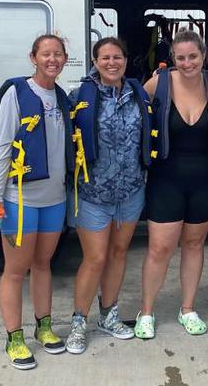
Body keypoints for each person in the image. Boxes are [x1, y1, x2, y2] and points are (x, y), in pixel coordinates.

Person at [135, 29, 208, 339]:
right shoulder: (158, 83)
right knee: (160, 248)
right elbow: (132, 111)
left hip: (206, 181)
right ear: (173, 59)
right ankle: (147, 312)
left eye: (193, 56)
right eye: (181, 57)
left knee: (194, 245)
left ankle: (188, 309)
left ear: (204, 56)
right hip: (166, 180)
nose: (187, 62)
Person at [0, 34, 75, 370]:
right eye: (46, 54)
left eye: (58, 54)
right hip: (20, 199)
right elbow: (3, 148)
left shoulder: (62, 98)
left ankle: (44, 326)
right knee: (15, 270)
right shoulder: (17, 93)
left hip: (54, 199)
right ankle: (14, 336)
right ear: (33, 57)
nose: (52, 60)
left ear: (65, 59)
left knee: (43, 264)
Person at [65, 37, 151, 354]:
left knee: (118, 254)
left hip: (130, 191)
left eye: (117, 57)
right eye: (105, 57)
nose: (111, 62)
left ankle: (108, 314)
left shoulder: (138, 94)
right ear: (95, 61)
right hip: (93, 192)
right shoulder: (79, 96)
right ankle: (78, 322)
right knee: (95, 257)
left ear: (126, 61)